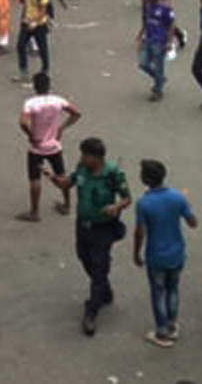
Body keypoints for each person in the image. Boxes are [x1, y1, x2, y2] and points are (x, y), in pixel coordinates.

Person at [44, 137, 132, 336]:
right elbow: (67, 184)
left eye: (86, 155)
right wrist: (53, 178)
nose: (82, 158)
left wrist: (116, 206)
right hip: (82, 226)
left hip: (103, 229)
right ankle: (104, 291)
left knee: (99, 267)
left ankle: (91, 311)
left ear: (97, 158)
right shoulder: (82, 169)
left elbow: (127, 198)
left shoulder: (113, 174)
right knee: (84, 257)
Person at [133, 160, 198, 347]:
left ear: (145, 178)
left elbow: (140, 232)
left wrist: (136, 253)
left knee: (158, 293)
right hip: (176, 253)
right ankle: (172, 325)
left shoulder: (144, 203)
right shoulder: (178, 197)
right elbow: (193, 222)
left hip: (156, 257)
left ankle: (161, 332)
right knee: (173, 290)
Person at [17, 73, 81, 222]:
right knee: (61, 175)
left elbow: (23, 122)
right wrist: (61, 128)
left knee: (35, 178)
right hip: (54, 145)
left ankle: (34, 211)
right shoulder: (58, 100)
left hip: (37, 146)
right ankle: (66, 205)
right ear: (49, 85)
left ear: (34, 86)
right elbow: (76, 113)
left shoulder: (30, 103)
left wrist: (31, 135)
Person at [137, 0, 175, 102]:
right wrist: (140, 35)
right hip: (148, 39)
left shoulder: (166, 9)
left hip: (160, 41)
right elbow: (147, 22)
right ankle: (160, 79)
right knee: (143, 64)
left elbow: (172, 25)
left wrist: (169, 42)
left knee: (159, 67)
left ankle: (158, 90)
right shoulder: (148, 6)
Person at [15, 0, 50, 82]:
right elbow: (26, 4)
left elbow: (43, 10)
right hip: (27, 22)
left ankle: (45, 69)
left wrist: (35, 22)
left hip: (39, 25)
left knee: (42, 48)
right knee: (20, 46)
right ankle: (23, 72)